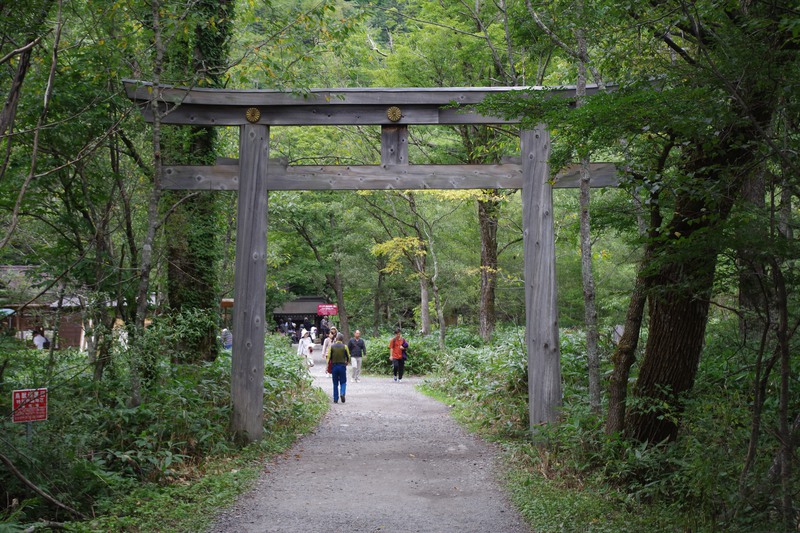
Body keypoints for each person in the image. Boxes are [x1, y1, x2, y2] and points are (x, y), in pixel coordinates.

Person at [328, 332, 350, 403]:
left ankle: (335, 398)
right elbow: (348, 356)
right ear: (342, 339)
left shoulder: (332, 346)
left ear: (336, 338)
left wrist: (327, 367)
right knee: (343, 381)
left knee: (335, 383)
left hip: (334, 366)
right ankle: (342, 393)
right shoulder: (345, 346)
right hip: (342, 366)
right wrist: (347, 362)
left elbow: (329, 357)